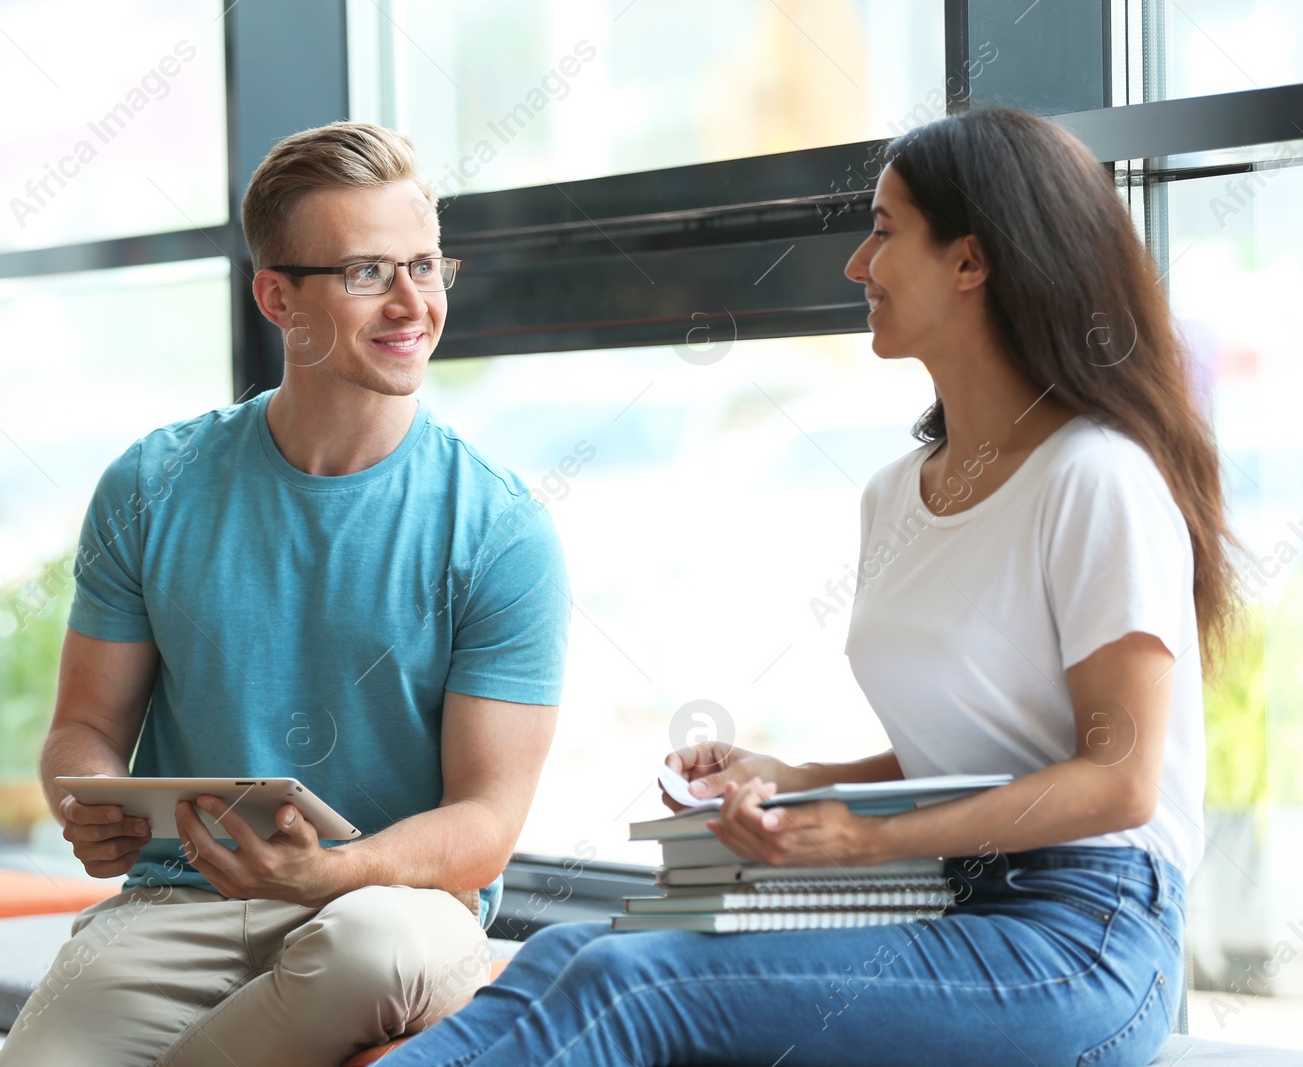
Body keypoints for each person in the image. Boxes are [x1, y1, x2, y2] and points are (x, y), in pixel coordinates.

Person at [379, 106, 1236, 1067]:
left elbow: (1116, 779)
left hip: (1085, 941)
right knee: (573, 948)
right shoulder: (898, 494)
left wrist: (864, 841)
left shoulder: (1096, 476)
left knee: (637, 984)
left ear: (971, 260)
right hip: (952, 894)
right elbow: (986, 751)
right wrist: (797, 784)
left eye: (883, 230)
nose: (855, 266)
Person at [0, 122, 570, 1067]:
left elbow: (485, 826)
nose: (410, 304)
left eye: (426, 266)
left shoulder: (502, 530)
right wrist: (88, 800)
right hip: (178, 905)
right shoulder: (152, 484)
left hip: (397, 912)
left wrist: (328, 872)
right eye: (365, 272)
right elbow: (82, 727)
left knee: (366, 950)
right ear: (276, 297)